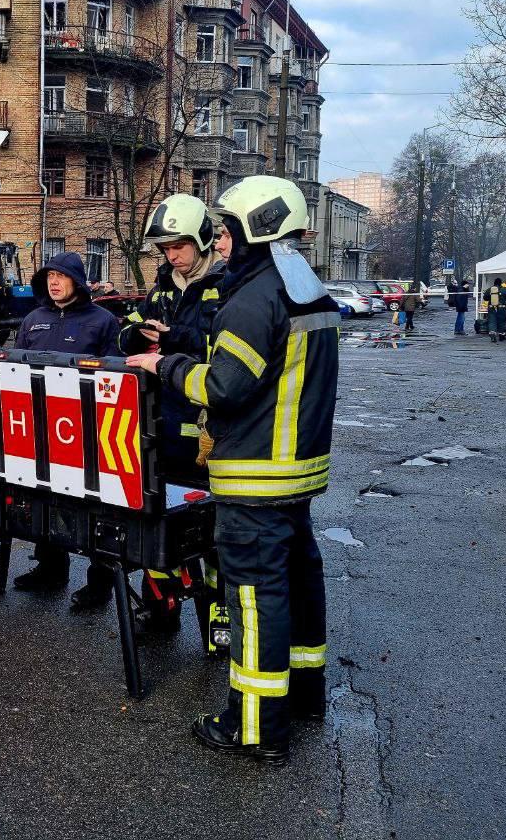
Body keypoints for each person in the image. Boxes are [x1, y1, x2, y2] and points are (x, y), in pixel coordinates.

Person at [128, 176, 337, 766]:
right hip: (296, 473)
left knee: (254, 599)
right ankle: (302, 698)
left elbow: (222, 388)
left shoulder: (252, 298)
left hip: (254, 476)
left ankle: (254, 726)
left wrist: (164, 365)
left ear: (254, 229)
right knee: (297, 584)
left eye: (225, 229)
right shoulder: (308, 290)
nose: (219, 240)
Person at [92, 194, 225, 627]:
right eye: (166, 248)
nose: (172, 256)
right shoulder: (164, 284)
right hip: (161, 424)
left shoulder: (229, 285)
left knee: (209, 534)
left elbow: (231, 356)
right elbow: (127, 328)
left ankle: (218, 621)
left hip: (207, 427)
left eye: (179, 247)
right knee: (156, 524)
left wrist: (177, 340)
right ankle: (160, 608)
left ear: (203, 239)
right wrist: (134, 336)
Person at [10, 251, 121, 592]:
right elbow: (14, 369)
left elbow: (116, 379)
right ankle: (50, 570)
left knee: (93, 504)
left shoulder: (103, 321)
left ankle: (99, 582)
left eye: (61, 276)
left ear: (78, 281)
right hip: (42, 429)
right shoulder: (32, 320)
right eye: (49, 277)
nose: (54, 282)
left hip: (87, 429)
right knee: (44, 495)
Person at [483, 277, 506, 343]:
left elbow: (485, 298)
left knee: (492, 321)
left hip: (491, 307)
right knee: (501, 321)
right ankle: (501, 335)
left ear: (494, 283)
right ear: (500, 283)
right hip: (502, 308)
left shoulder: (490, 289)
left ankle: (492, 334)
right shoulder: (504, 289)